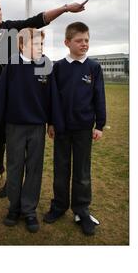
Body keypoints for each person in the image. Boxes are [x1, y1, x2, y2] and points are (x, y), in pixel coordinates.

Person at [0, 0, 88, 197]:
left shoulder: (10, 28)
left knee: (12, 136)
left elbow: (38, 20)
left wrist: (66, 8)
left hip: (16, 89)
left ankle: (11, 180)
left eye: (0, 8)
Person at [0, 28, 63, 233]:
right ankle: (14, 207)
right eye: (36, 44)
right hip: (14, 126)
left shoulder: (45, 64)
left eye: (42, 44)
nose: (40, 48)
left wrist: (52, 122)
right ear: (22, 45)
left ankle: (29, 210)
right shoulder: (12, 65)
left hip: (37, 127)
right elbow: (0, 96)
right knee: (14, 167)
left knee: (34, 169)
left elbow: (52, 96)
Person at [43, 22, 106, 236]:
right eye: (79, 40)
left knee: (82, 172)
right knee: (61, 170)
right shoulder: (58, 67)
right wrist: (51, 123)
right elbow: (52, 99)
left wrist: (99, 125)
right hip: (61, 128)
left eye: (87, 40)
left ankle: (81, 210)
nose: (84, 44)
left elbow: (99, 97)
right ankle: (59, 206)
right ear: (67, 42)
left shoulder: (94, 67)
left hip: (84, 129)